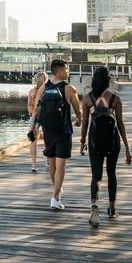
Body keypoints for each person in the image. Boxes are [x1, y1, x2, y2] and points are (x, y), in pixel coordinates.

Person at [80, 66, 132, 227]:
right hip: (112, 141)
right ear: (108, 81)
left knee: (96, 175)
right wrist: (128, 149)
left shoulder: (87, 98)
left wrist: (82, 142)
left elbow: (85, 123)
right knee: (111, 173)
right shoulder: (115, 99)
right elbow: (121, 124)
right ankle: (111, 208)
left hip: (94, 141)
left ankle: (94, 206)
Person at [29, 58, 82, 210]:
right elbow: (78, 110)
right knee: (60, 165)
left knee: (51, 162)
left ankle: (56, 191)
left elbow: (35, 110)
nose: (68, 71)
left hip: (48, 131)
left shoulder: (43, 88)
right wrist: (79, 120)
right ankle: (56, 198)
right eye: (66, 68)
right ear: (60, 70)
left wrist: (32, 128)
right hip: (63, 131)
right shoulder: (69, 88)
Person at [26, 72, 48, 172]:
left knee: (32, 140)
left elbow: (29, 106)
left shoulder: (31, 91)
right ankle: (48, 161)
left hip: (34, 117)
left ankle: (34, 164)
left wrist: (32, 114)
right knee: (48, 138)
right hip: (45, 116)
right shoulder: (46, 91)